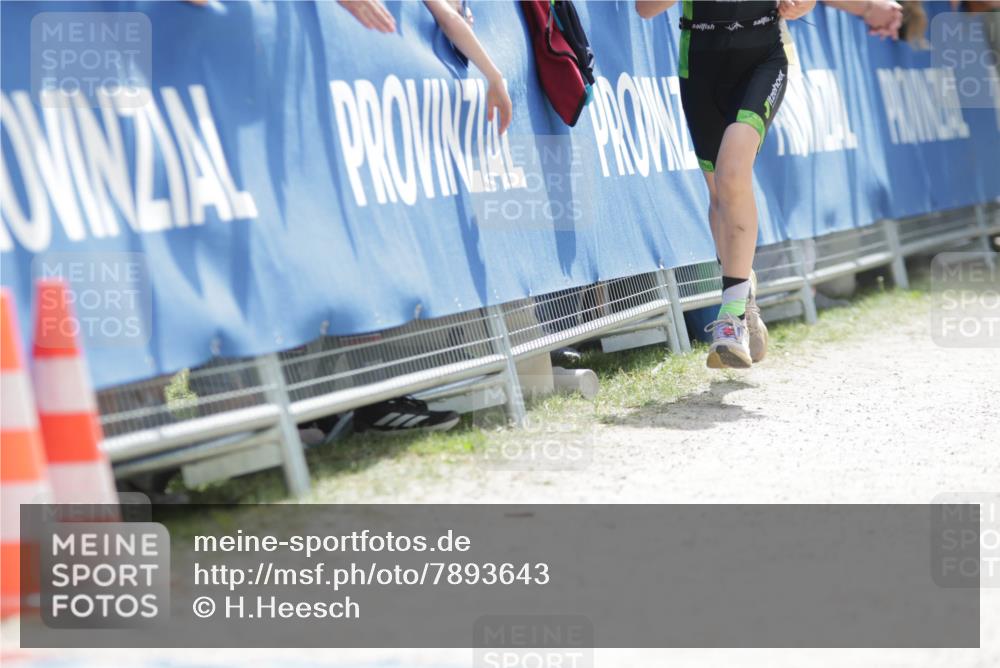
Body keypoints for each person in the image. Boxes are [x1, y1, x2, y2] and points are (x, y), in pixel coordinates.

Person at [635, 0, 815, 368]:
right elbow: (645, 8)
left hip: (762, 56)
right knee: (719, 192)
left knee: (733, 173)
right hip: (700, 63)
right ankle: (745, 302)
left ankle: (731, 319)